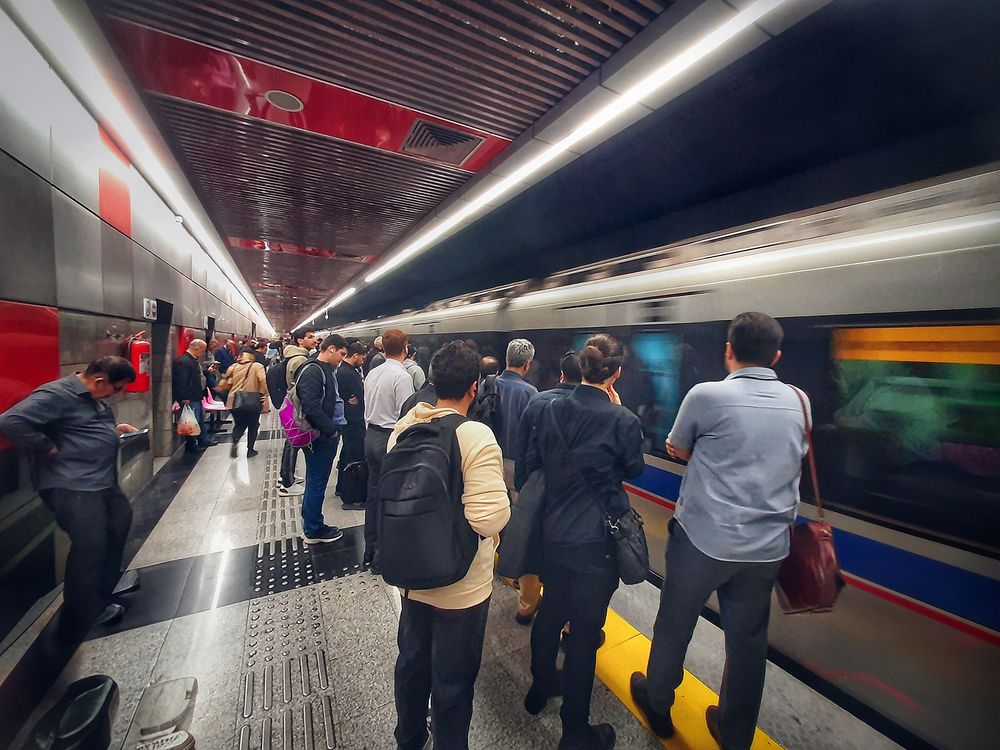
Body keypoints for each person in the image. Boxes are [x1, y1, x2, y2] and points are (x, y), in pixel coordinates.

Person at [631, 313, 810, 750]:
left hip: (703, 540)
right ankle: (735, 732)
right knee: (748, 642)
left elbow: (677, 446)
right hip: (767, 548)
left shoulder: (707, 395)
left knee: (675, 622)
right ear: (778, 356)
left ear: (729, 350)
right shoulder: (800, 400)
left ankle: (658, 703)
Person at [522, 334, 644, 750]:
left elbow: (538, 460)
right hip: (597, 541)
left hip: (554, 533)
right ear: (616, 374)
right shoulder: (622, 419)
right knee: (584, 635)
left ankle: (539, 688)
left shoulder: (553, 407)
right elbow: (634, 468)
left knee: (551, 611)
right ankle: (575, 730)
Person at [390, 341, 510, 750]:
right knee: (453, 679)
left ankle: (408, 737)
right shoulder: (475, 435)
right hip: (462, 587)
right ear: (473, 387)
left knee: (411, 663)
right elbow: (489, 518)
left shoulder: (405, 426)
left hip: (411, 576)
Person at [0, 357, 139, 640]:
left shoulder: (92, 395)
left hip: (100, 482)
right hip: (72, 485)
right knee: (90, 545)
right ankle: (84, 610)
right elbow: (10, 420)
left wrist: (115, 431)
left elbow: (81, 428)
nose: (117, 394)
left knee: (119, 523)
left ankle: (104, 586)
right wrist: (46, 446)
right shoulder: (56, 394)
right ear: (100, 381)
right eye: (117, 389)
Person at [493, 339, 540, 624]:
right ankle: (510, 567)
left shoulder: (489, 385)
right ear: (528, 364)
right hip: (515, 463)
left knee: (493, 510)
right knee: (515, 517)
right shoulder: (531, 393)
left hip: (488, 457)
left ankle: (492, 555)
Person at [362, 328, 415, 571]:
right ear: (406, 348)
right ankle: (383, 557)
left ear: (382, 348)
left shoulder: (373, 372)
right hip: (389, 439)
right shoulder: (402, 377)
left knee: (373, 496)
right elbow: (408, 416)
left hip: (371, 436)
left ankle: (369, 550)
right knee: (390, 497)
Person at [295, 335, 348, 544]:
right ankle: (313, 529)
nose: (342, 359)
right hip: (319, 437)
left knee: (316, 481)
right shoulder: (313, 371)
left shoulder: (322, 370)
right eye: (342, 354)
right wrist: (331, 430)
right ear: (331, 349)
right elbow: (311, 406)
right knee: (316, 482)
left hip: (321, 435)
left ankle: (313, 522)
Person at [277, 328, 316, 497]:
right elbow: (303, 387)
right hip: (298, 407)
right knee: (293, 443)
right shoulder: (300, 359)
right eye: (310, 337)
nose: (314, 339)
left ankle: (285, 476)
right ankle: (287, 483)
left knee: (291, 443)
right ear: (300, 341)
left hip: (293, 404)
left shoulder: (293, 356)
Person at [334, 341, 367, 507]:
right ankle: (350, 496)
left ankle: (341, 487)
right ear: (355, 355)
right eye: (362, 357)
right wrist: (354, 400)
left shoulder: (343, 370)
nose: (363, 361)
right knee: (354, 456)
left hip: (349, 420)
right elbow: (361, 395)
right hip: (353, 421)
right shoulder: (348, 373)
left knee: (347, 454)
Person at [225, 347, 270, 458]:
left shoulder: (233, 367)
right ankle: (250, 450)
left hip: (234, 401)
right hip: (252, 399)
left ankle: (235, 440)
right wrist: (265, 393)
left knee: (239, 424)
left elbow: (225, 383)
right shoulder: (257, 366)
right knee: (253, 424)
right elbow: (262, 379)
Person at [172, 338, 216, 451]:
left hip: (196, 396)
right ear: (196, 348)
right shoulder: (184, 361)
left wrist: (207, 372)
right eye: (202, 350)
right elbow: (182, 381)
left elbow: (195, 375)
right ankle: (191, 445)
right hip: (190, 398)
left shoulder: (191, 360)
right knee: (191, 421)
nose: (202, 353)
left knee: (198, 420)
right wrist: (185, 397)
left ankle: (203, 440)